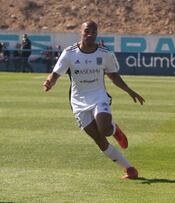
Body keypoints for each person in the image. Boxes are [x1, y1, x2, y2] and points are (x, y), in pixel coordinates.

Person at [42, 20, 145, 179]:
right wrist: (49, 82)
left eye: (93, 32)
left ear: (97, 34)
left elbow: (113, 76)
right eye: (87, 31)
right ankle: (129, 169)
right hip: (78, 101)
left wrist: (129, 91)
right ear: (81, 32)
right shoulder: (69, 53)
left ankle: (114, 129)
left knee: (104, 129)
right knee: (99, 139)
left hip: (98, 96)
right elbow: (55, 74)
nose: (90, 35)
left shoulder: (104, 53)